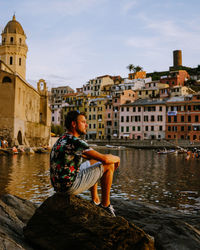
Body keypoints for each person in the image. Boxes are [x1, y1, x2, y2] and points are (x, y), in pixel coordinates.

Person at [50, 111, 120, 216]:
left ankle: (95, 200)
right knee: (109, 165)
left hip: (58, 186)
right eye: (83, 122)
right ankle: (106, 206)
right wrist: (117, 158)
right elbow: (105, 159)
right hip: (69, 188)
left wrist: (103, 159)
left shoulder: (62, 139)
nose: (86, 125)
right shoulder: (76, 142)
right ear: (74, 124)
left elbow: (92, 157)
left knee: (95, 161)